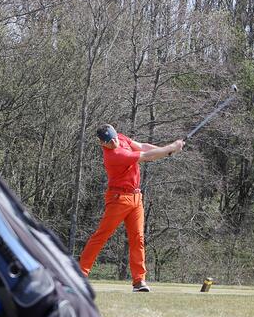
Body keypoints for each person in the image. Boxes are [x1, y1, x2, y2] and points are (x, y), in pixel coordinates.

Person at [79, 124, 184, 292]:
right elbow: (145, 155)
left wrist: (166, 151)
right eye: (108, 141)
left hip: (136, 198)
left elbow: (142, 146)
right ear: (102, 143)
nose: (113, 142)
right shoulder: (114, 155)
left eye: (113, 138)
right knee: (101, 236)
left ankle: (139, 281)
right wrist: (170, 148)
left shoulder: (121, 138)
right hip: (118, 199)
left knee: (138, 239)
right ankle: (80, 275)